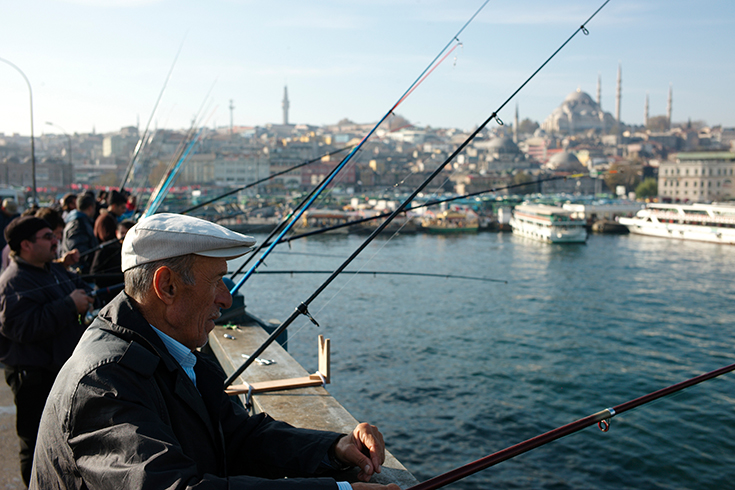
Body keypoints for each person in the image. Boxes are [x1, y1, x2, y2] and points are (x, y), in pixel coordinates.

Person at [31, 213, 399, 490]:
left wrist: (333, 447)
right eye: (217, 281)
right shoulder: (104, 381)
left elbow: (238, 435)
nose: (225, 299)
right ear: (167, 286)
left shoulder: (168, 351)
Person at [0, 216, 94, 486]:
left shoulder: (48, 269)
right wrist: (69, 305)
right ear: (26, 245)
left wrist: (81, 295)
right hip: (33, 378)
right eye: (48, 237)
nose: (56, 241)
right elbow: (22, 328)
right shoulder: (13, 282)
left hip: (56, 372)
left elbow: (73, 288)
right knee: (36, 443)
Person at [61, 192, 99, 274]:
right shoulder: (78, 225)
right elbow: (79, 252)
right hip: (79, 274)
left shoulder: (77, 221)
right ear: (90, 208)